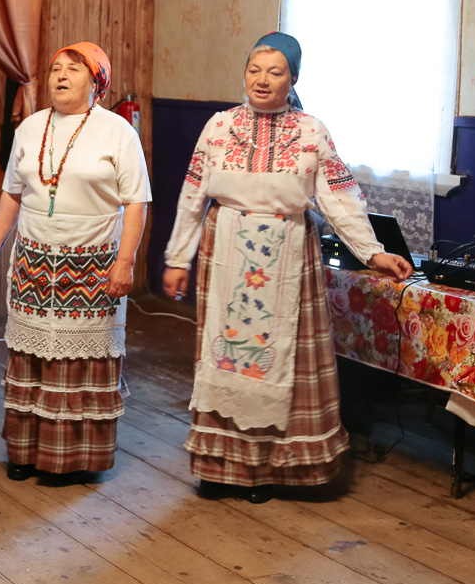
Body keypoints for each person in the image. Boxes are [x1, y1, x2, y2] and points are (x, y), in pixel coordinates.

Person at [161, 32, 413, 503]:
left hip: (288, 255)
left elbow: (339, 199)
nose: (262, 80)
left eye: (275, 72)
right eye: (255, 70)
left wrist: (372, 252)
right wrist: (178, 257)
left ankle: (270, 470)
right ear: (244, 74)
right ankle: (221, 467)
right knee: (225, 355)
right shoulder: (219, 126)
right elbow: (193, 195)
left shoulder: (311, 131)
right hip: (226, 250)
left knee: (281, 361)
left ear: (293, 79)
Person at [0, 42, 150, 481]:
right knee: (31, 358)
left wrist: (125, 262)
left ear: (97, 83)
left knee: (79, 364)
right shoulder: (30, 128)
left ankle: (72, 460)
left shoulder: (117, 131)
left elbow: (136, 202)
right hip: (34, 265)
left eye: (73, 69)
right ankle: (25, 453)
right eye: (55, 69)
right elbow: (12, 193)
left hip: (93, 265)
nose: (61, 76)